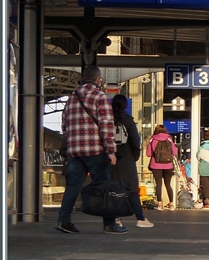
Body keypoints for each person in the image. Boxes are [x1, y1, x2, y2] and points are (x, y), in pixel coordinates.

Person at [57, 65, 125, 235]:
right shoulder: (100, 97)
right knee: (104, 186)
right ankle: (109, 223)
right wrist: (111, 151)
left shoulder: (71, 98)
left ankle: (64, 220)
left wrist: (73, 142)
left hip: (75, 152)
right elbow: (106, 126)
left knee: (73, 186)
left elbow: (64, 125)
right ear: (98, 80)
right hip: (96, 151)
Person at [110, 94, 152, 228]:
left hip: (110, 158)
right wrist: (135, 156)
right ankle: (140, 218)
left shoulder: (107, 120)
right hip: (126, 159)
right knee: (132, 189)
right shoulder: (128, 121)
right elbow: (135, 140)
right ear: (125, 106)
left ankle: (115, 217)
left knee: (114, 189)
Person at [146, 124, 178, 209]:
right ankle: (171, 204)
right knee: (168, 184)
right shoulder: (169, 138)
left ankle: (159, 204)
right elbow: (175, 152)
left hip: (155, 165)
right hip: (168, 165)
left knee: (158, 184)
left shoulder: (152, 139)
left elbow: (148, 154)